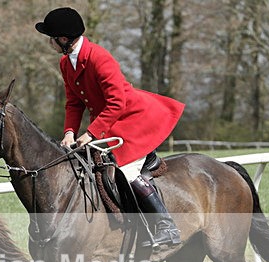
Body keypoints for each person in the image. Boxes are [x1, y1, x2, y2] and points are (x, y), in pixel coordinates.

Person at [35, 7, 185, 248]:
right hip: (111, 122)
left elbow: (118, 102)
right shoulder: (66, 63)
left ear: (63, 39)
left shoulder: (98, 57)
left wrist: (91, 132)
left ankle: (166, 226)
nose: (49, 42)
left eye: (50, 37)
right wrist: (69, 132)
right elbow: (74, 102)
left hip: (134, 119)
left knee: (125, 170)